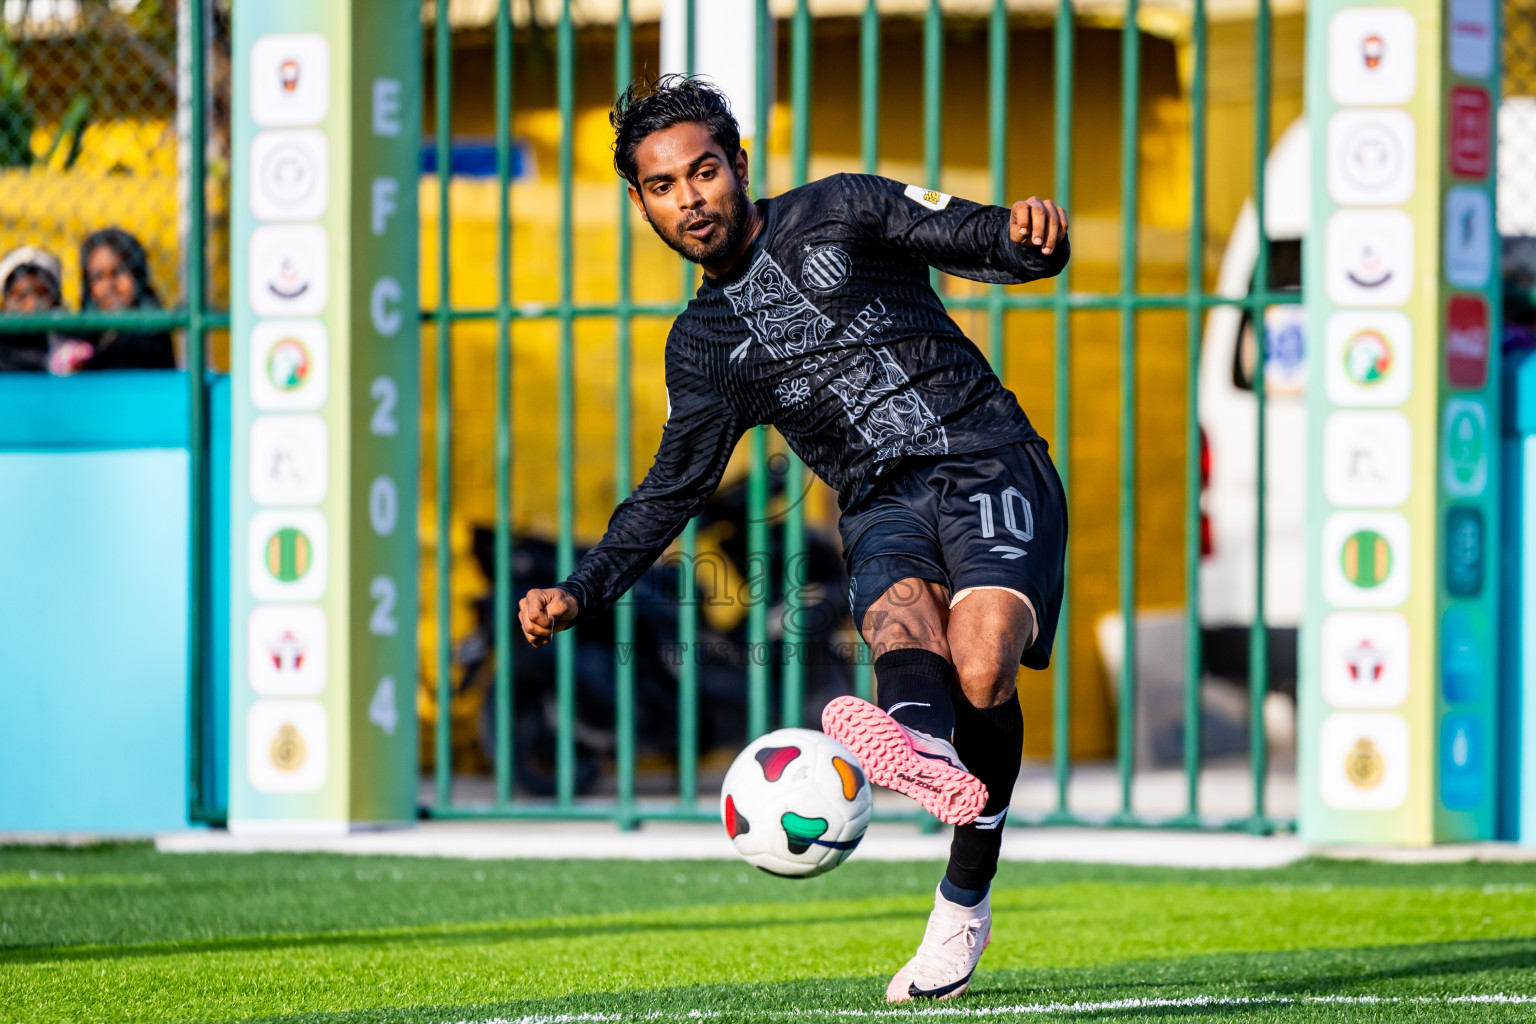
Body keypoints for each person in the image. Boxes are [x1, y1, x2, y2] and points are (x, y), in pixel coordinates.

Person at [516, 76, 1070, 1003]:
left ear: (738, 163)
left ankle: (963, 894)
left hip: (987, 456)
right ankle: (918, 746)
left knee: (982, 669)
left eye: (703, 172)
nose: (690, 199)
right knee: (899, 623)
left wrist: (1029, 237)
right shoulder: (701, 347)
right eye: (663, 186)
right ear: (640, 202)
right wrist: (583, 587)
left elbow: (979, 237)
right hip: (878, 500)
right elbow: (672, 488)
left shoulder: (840, 209)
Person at [69, 227, 176, 372]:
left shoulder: (151, 331)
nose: (109, 286)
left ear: (138, 275)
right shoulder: (85, 336)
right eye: (98, 276)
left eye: (118, 272)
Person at [0, 245, 67, 372]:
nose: (32, 305)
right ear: (4, 304)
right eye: (21, 297)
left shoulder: (69, 350)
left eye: (41, 294)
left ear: (56, 301)